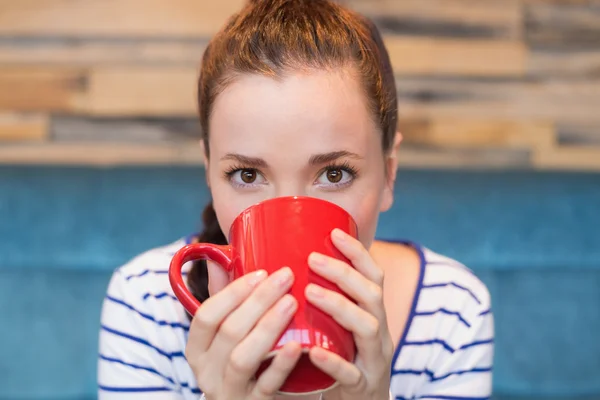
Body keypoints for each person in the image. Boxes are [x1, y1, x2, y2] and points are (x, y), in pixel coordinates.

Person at [97, 0, 494, 398]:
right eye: (247, 175)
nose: (290, 218)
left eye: (334, 174)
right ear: (208, 171)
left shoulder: (451, 312)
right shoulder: (146, 302)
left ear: (388, 175)